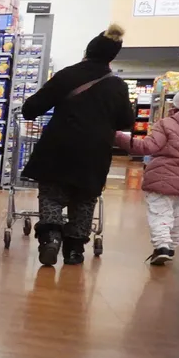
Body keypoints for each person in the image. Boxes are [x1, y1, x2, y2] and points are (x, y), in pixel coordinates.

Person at [20, 24, 134, 266]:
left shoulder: (67, 75)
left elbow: (31, 109)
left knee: (51, 194)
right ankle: (74, 251)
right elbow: (126, 121)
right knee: (84, 199)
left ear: (87, 51)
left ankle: (50, 237)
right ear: (111, 58)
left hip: (58, 148)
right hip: (95, 154)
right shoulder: (118, 86)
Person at [114, 82, 179, 265]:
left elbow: (147, 147)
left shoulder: (167, 124)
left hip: (161, 177)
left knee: (160, 213)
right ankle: (172, 246)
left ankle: (162, 246)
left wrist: (118, 136)